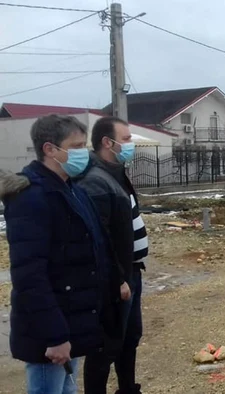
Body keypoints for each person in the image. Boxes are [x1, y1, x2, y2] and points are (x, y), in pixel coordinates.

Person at [0, 115, 119, 394]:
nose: (84, 153)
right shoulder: (31, 198)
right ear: (49, 149)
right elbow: (30, 276)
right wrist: (54, 335)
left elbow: (94, 250)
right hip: (49, 333)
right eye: (75, 146)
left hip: (71, 321)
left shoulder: (71, 189)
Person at [76, 116, 148, 394]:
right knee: (107, 343)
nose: (131, 144)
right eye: (127, 139)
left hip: (132, 271)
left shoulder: (115, 171)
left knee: (129, 337)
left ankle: (128, 389)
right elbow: (99, 237)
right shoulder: (95, 181)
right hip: (117, 278)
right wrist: (117, 278)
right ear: (108, 142)